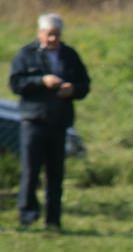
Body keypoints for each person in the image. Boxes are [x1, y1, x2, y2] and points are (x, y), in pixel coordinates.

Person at [9, 13, 90, 231]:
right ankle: (27, 216)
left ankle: (53, 220)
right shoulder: (26, 54)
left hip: (59, 122)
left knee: (56, 173)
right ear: (40, 33)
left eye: (56, 35)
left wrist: (72, 89)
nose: (53, 39)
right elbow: (16, 83)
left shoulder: (70, 55)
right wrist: (41, 81)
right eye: (49, 34)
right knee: (30, 171)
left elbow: (84, 84)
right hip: (33, 121)